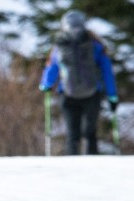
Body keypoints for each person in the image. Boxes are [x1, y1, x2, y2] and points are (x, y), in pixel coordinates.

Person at [39, 9, 119, 155]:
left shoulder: (60, 46)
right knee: (90, 134)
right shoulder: (95, 45)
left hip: (67, 94)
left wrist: (46, 85)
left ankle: (71, 171)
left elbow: (52, 67)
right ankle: (93, 168)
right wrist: (112, 95)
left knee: (72, 135)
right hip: (93, 94)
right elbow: (107, 71)